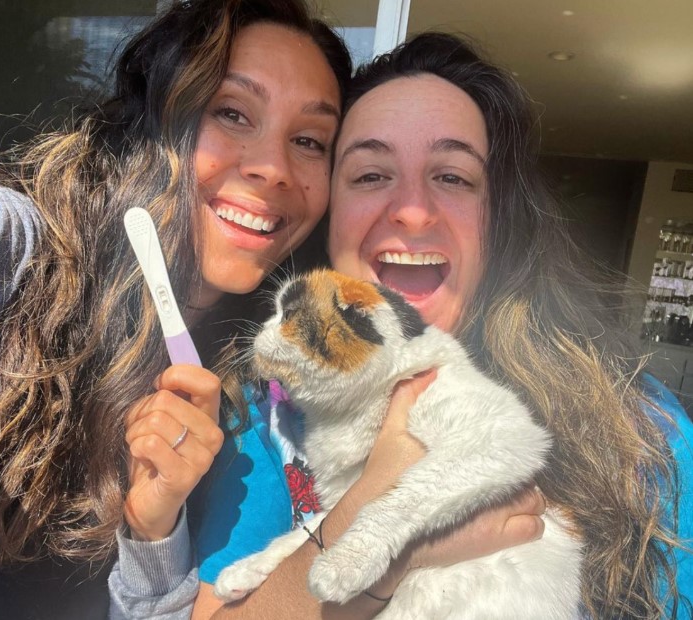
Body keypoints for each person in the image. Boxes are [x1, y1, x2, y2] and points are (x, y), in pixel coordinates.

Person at [121, 31, 693, 619]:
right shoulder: (264, 423)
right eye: (371, 175)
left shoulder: (639, 434)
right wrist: (390, 542)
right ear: (330, 218)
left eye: (453, 177)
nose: (413, 212)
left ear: (500, 221)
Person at [0, 0, 354, 617]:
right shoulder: (5, 259)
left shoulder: (261, 403)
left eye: (309, 140)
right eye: (232, 112)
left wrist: (154, 530)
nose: (274, 169)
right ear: (158, 118)